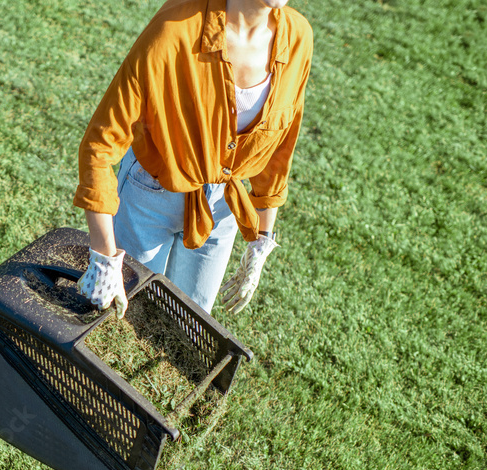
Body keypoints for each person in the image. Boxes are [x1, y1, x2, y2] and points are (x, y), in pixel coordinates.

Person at [75, 0, 312, 318]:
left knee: (189, 324)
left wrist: (261, 241)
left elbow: (280, 145)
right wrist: (104, 257)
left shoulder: (298, 37)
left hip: (222, 209)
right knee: (123, 318)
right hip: (152, 193)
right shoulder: (173, 30)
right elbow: (100, 145)